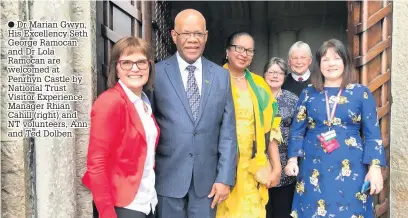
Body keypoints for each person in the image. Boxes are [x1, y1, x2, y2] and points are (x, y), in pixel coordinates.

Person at [284, 39, 386, 218]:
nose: (331, 63)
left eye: (336, 58)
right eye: (325, 59)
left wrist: (375, 168)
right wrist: (292, 159)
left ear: (345, 62)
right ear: (319, 65)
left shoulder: (360, 92)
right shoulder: (308, 93)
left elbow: (372, 134)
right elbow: (297, 130)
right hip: (314, 166)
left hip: (352, 167)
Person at [152, 9, 237, 218]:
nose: (192, 40)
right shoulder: (156, 73)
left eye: (198, 34)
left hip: (207, 183)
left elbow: (228, 132)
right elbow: (147, 126)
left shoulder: (221, 76)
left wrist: (225, 178)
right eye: (186, 34)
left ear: (206, 36)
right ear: (174, 36)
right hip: (167, 179)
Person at [82, 37, 159, 218]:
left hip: (147, 201)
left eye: (141, 62)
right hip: (123, 205)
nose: (134, 68)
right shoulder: (110, 101)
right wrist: (106, 212)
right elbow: (96, 164)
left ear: (149, 67)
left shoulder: (144, 103)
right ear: (116, 68)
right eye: (126, 63)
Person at [216, 31, 282, 218]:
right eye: (239, 48)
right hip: (222, 167)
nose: (244, 54)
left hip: (253, 168)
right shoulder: (214, 80)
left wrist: (276, 167)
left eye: (249, 51)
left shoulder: (260, 85)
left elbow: (271, 130)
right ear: (227, 50)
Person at [263, 57, 299, 218]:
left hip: (285, 164)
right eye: (271, 72)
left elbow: (298, 131)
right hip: (259, 163)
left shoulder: (293, 100)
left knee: (282, 211)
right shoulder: (256, 96)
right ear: (264, 74)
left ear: (285, 76)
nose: (274, 76)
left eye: (279, 72)